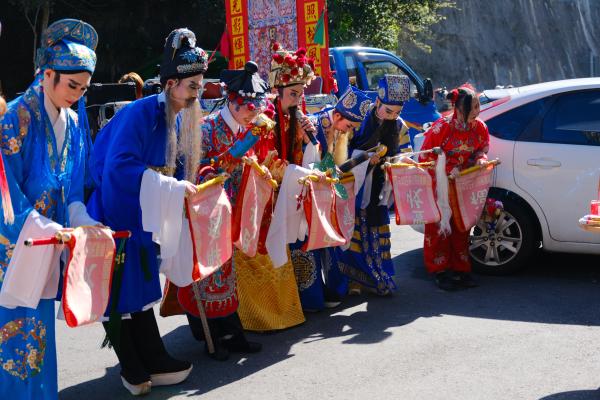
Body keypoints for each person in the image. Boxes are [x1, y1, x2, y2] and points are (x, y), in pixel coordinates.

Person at [87, 28, 206, 395]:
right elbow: (118, 169)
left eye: (200, 85)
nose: (197, 93)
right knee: (119, 290)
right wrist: (170, 188)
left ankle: (152, 354)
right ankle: (131, 362)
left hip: (142, 214)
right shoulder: (140, 114)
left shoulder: (179, 117)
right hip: (113, 210)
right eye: (192, 86)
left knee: (140, 288)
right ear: (171, 84)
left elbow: (179, 167)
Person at [0, 19, 99, 400]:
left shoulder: (73, 123)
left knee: (38, 343)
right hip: (10, 255)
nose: (76, 95)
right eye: (71, 85)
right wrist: (46, 229)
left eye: (83, 88)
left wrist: (86, 223)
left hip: (44, 250)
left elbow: (72, 191)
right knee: (12, 347)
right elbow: (6, 197)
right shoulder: (14, 119)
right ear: (48, 74)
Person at [174, 61, 266, 359]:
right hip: (206, 210)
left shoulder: (245, 128)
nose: (253, 112)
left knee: (226, 272)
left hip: (230, 209)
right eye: (248, 106)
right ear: (232, 100)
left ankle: (232, 332)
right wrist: (227, 160)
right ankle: (211, 337)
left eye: (256, 107)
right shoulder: (207, 127)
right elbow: (193, 169)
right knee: (206, 272)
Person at [295, 86, 372, 311]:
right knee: (307, 246)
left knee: (329, 243)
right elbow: (309, 161)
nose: (349, 131)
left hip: (325, 193)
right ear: (337, 115)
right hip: (304, 192)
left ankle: (332, 291)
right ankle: (311, 299)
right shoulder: (313, 125)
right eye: (348, 126)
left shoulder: (337, 128)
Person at [337, 75, 413, 296]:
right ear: (377, 102)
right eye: (388, 111)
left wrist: (400, 164)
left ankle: (377, 276)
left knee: (376, 231)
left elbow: (404, 154)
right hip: (355, 183)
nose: (393, 116)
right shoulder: (359, 116)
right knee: (352, 232)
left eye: (397, 112)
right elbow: (341, 150)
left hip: (380, 185)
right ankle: (353, 280)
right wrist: (364, 158)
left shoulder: (399, 125)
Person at [419, 86, 489, 291]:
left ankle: (461, 269)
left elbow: (480, 149)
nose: (477, 111)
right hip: (440, 183)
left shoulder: (480, 128)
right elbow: (425, 156)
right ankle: (439, 270)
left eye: (477, 106)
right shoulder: (442, 128)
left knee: (462, 226)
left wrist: (481, 160)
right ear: (459, 109)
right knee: (439, 226)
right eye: (473, 107)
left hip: (464, 183)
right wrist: (449, 168)